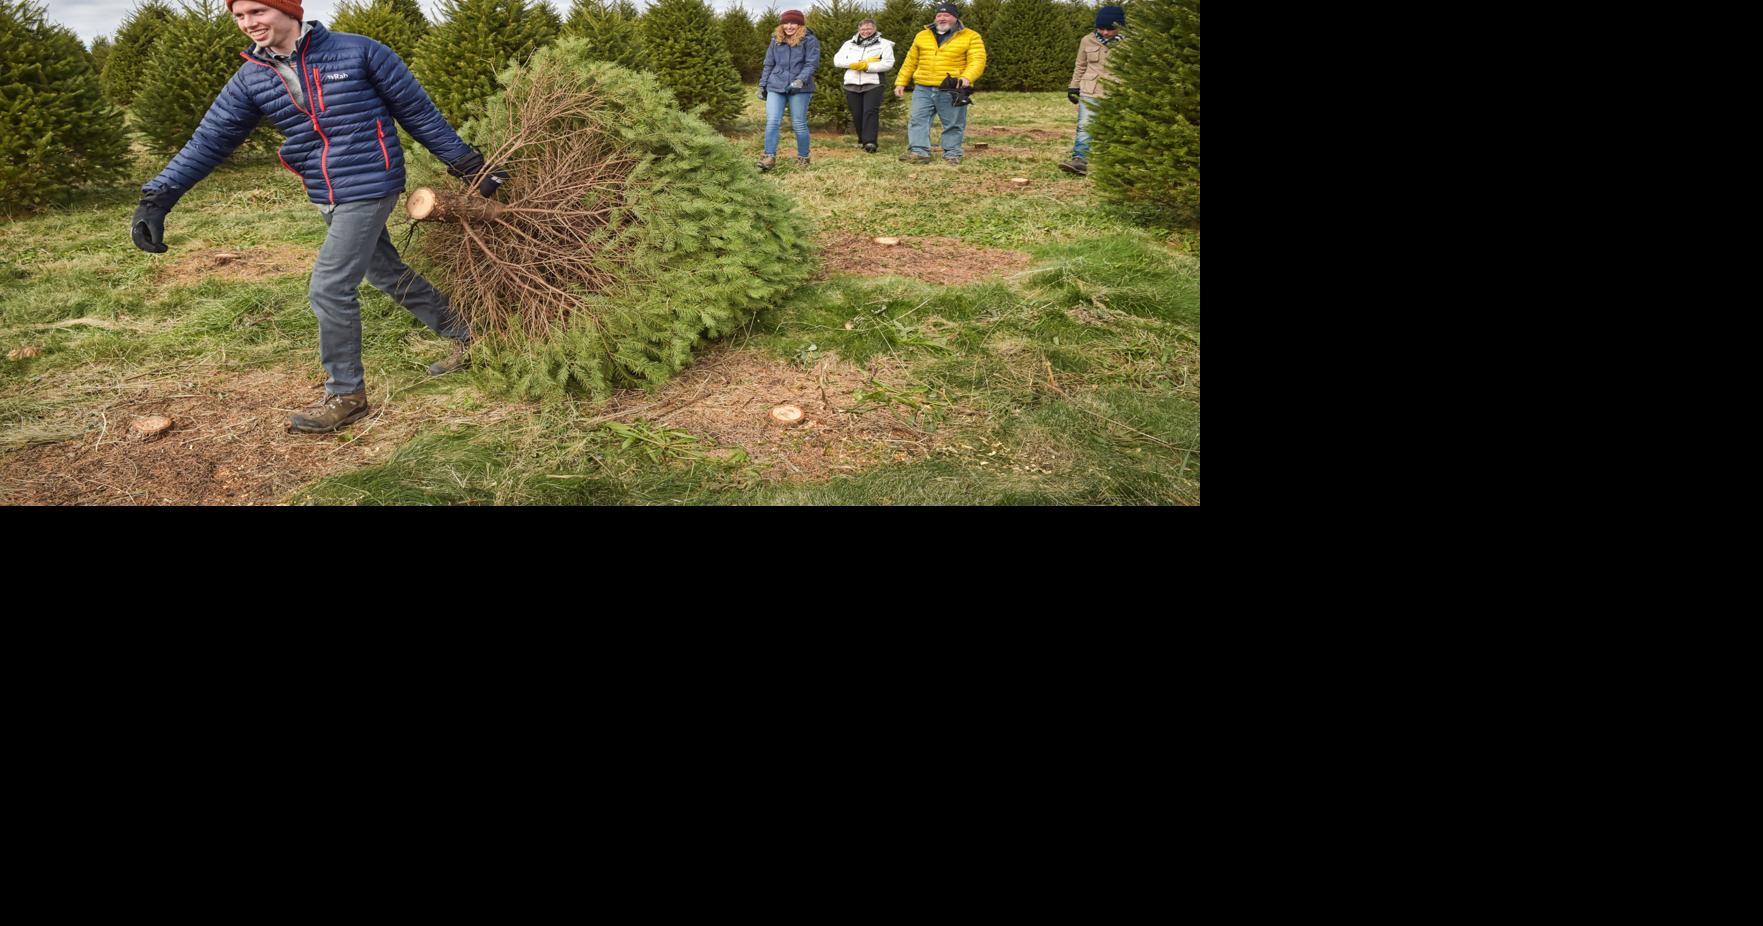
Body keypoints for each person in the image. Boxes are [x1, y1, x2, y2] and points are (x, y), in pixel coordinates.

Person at [128, 0, 504, 434]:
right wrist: (158, 199)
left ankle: (347, 395)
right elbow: (208, 140)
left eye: (256, 12)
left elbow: (417, 113)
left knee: (329, 287)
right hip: (326, 189)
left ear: (287, 9)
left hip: (372, 180)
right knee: (385, 273)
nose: (248, 24)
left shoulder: (359, 51)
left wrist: (469, 166)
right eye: (239, 17)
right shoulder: (252, 76)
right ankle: (473, 335)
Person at [894, 3, 985, 165]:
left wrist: (967, 77)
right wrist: (901, 82)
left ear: (955, 18)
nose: (942, 18)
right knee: (917, 120)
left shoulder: (971, 36)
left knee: (953, 123)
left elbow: (977, 60)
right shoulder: (922, 35)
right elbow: (910, 60)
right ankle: (919, 152)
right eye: (939, 15)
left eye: (946, 15)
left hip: (951, 88)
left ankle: (952, 153)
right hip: (923, 87)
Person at [1060, 5, 1124, 176]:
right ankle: (1079, 161)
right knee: (1085, 127)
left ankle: (1116, 163)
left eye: (1110, 29)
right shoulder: (1087, 40)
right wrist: (1073, 86)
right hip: (1090, 90)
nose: (1104, 32)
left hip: (1118, 92)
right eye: (1101, 28)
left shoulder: (1130, 43)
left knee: (1117, 128)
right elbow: (1080, 65)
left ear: (1120, 27)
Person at [756, 10, 820, 171]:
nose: (789, 26)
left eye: (793, 23)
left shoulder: (809, 40)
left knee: (798, 123)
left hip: (800, 88)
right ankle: (768, 157)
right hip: (776, 85)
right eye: (786, 23)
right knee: (772, 122)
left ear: (800, 24)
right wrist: (762, 85)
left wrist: (800, 80)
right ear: (781, 24)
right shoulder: (776, 40)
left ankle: (803, 158)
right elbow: (769, 63)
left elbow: (811, 63)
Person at [832, 18, 895, 154]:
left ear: (875, 29)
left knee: (870, 112)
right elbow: (837, 60)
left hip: (873, 83)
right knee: (857, 113)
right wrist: (854, 64)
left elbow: (888, 63)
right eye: (863, 29)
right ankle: (862, 140)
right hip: (852, 82)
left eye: (869, 29)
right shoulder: (848, 44)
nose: (865, 31)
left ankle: (870, 142)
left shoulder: (884, 44)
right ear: (858, 30)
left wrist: (867, 66)